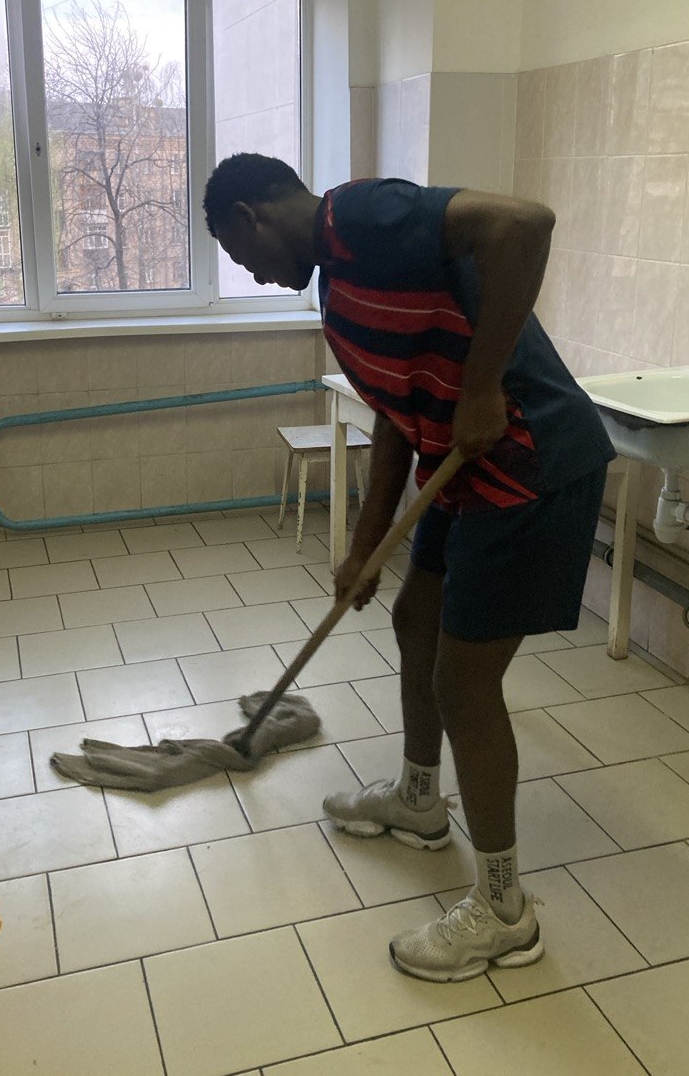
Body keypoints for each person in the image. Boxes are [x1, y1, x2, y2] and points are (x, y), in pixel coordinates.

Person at [202, 153, 615, 983]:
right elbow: (395, 417)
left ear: (252, 215)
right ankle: (420, 801)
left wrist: (483, 385)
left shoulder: (357, 220)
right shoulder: (337, 291)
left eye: (244, 259)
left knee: (465, 683)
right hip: (464, 474)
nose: (256, 275)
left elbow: (524, 224)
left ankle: (504, 911)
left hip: (529, 467)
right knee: (413, 618)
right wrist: (364, 549)